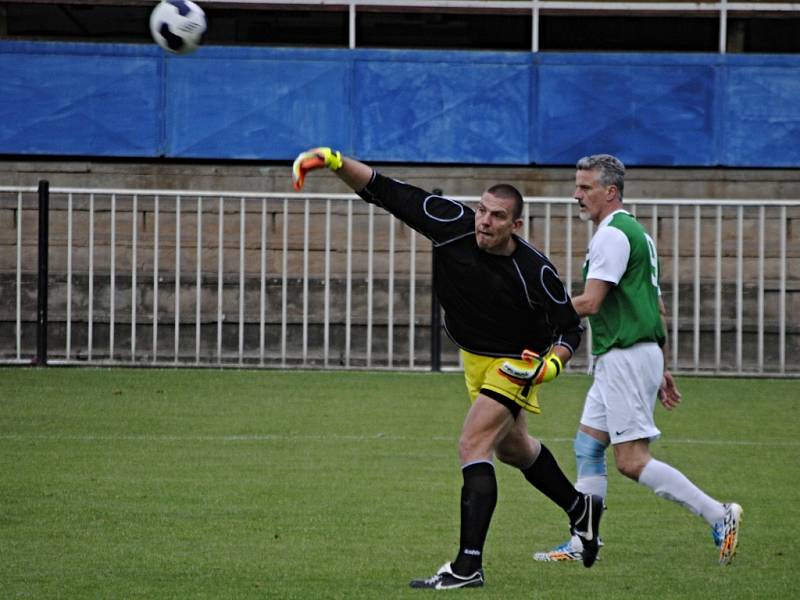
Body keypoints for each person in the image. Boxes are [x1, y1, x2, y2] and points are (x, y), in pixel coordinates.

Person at [292, 147, 604, 589]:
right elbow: (384, 190)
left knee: (472, 445)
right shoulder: (451, 223)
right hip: (473, 357)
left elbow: (570, 329)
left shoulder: (536, 271)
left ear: (516, 225)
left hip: (516, 363)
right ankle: (580, 508)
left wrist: (550, 366)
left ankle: (467, 566)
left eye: (497, 216)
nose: (484, 221)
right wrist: (334, 161)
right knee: (513, 449)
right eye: (481, 210)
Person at [533, 154, 742, 566]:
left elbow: (591, 302)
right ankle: (582, 541)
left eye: (585, 187)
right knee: (587, 446)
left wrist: (537, 315)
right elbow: (657, 304)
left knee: (631, 461)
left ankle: (719, 514)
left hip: (626, 356)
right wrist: (662, 364)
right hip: (628, 354)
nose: (577, 195)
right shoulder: (636, 233)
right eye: (577, 186)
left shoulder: (612, 235)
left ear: (610, 192)